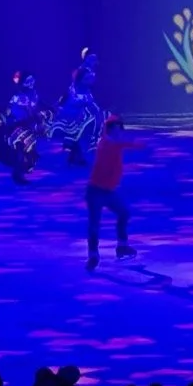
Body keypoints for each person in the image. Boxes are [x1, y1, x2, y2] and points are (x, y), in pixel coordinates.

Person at [84, 114, 144, 270]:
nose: (118, 132)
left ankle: (122, 246)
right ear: (109, 130)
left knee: (124, 212)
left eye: (119, 129)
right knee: (94, 224)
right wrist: (134, 144)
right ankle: (93, 255)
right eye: (115, 129)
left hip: (108, 191)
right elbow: (115, 145)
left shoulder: (113, 143)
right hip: (96, 191)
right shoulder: (105, 143)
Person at [46, 47, 106, 165]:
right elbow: (71, 90)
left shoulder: (91, 74)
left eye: (95, 58)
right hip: (75, 107)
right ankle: (75, 153)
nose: (93, 60)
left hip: (83, 103)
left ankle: (77, 153)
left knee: (88, 125)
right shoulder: (80, 72)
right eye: (91, 58)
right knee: (78, 129)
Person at [0, 71, 45, 184]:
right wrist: (38, 121)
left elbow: (33, 110)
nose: (31, 82)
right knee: (21, 149)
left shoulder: (33, 93)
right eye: (27, 81)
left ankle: (22, 170)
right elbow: (29, 111)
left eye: (32, 80)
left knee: (28, 149)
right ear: (22, 83)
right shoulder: (21, 97)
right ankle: (17, 174)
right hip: (16, 125)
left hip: (26, 124)